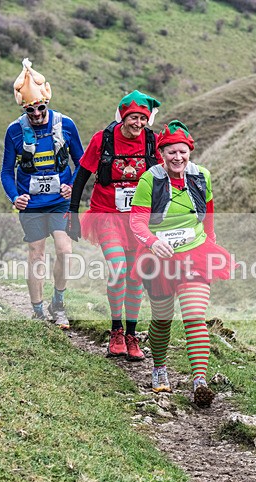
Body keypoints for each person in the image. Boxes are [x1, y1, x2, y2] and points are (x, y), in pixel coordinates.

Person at [129, 120, 233, 407]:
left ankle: (200, 380)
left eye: (183, 152)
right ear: (162, 154)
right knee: (162, 319)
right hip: (158, 257)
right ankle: (159, 367)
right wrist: (153, 242)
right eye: (172, 152)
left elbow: (208, 215)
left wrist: (210, 244)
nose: (178, 158)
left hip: (194, 253)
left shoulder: (202, 176)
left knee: (194, 315)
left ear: (190, 152)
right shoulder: (149, 180)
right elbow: (137, 221)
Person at [68, 90, 162, 361]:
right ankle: (116, 331)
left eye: (143, 118)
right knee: (119, 269)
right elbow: (82, 175)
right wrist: (72, 212)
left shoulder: (152, 141)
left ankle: (131, 335)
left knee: (135, 277)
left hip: (139, 220)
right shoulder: (103, 139)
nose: (138, 124)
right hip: (106, 214)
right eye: (133, 118)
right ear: (123, 117)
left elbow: (168, 173)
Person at [0, 58, 84, 328]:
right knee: (36, 253)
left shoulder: (65, 124)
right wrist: (15, 197)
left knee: (64, 250)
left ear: (47, 103)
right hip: (32, 204)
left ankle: (58, 303)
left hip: (60, 201)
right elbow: (6, 171)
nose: (36, 114)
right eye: (30, 110)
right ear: (23, 108)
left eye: (40, 108)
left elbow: (82, 162)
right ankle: (37, 311)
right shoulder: (14, 131)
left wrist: (72, 185)